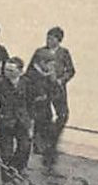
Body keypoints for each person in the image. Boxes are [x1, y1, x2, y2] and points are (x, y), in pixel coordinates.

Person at [28, 27, 75, 175]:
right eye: (48, 37)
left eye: (52, 38)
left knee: (63, 115)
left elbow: (71, 70)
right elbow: (30, 70)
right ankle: (41, 146)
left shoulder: (64, 53)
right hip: (42, 89)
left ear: (59, 40)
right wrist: (38, 77)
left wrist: (62, 80)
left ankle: (52, 138)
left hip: (58, 89)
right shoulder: (39, 52)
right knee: (42, 116)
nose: (49, 40)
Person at [0, 56, 37, 185]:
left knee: (25, 147)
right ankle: (6, 181)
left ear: (20, 71)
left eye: (11, 70)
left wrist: (30, 120)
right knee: (6, 152)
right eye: (6, 70)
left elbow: (32, 103)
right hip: (6, 122)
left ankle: (17, 170)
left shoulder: (27, 83)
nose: (7, 73)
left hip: (22, 121)